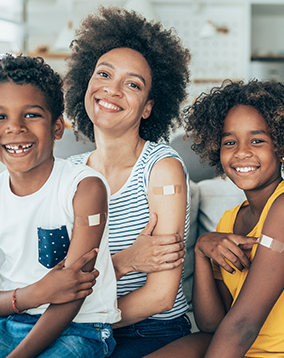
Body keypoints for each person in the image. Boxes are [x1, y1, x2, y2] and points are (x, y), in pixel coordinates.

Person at [147, 80, 284, 358]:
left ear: (283, 147)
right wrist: (201, 251)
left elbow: (243, 325)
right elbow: (213, 323)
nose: (241, 152)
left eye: (257, 140)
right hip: (239, 347)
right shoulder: (229, 221)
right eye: (229, 142)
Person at [0, 54, 121, 358]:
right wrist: (35, 294)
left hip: (82, 328)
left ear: (58, 127)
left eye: (31, 114)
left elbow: (74, 291)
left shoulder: (85, 188)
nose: (15, 128)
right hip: (11, 322)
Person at [64, 7, 192, 358]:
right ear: (86, 84)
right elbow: (59, 279)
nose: (112, 90)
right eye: (103, 74)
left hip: (151, 330)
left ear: (148, 107)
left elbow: (160, 296)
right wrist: (127, 260)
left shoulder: (162, 169)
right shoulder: (70, 174)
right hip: (82, 325)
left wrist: (79, 317)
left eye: (132, 84)